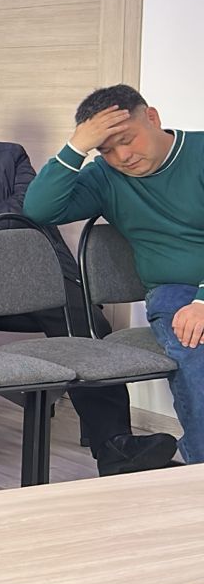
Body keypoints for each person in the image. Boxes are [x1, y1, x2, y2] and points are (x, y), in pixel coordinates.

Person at [0, 88, 177, 474]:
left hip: (30, 272)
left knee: (86, 325)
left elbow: (28, 202)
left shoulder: (8, 155)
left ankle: (114, 443)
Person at [25, 84, 204, 462]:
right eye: (105, 149)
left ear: (152, 117)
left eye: (126, 139)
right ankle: (198, 472)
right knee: (195, 345)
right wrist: (77, 146)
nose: (122, 156)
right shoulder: (105, 176)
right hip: (174, 291)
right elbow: (40, 209)